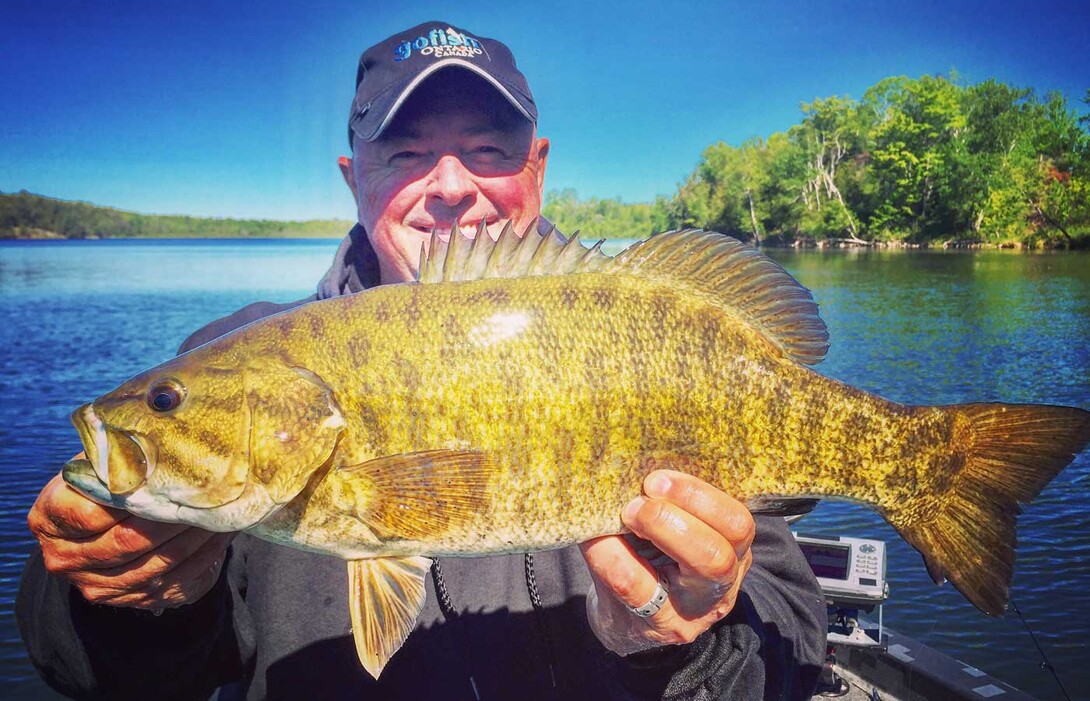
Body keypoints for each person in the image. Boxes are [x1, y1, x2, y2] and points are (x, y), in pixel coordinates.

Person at [19, 21, 827, 701]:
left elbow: (795, 641)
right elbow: (89, 669)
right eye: (405, 153)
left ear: (536, 167)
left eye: (486, 148)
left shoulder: (651, 334)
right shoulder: (228, 354)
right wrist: (127, 597)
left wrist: (677, 648)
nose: (450, 186)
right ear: (354, 176)